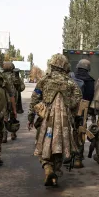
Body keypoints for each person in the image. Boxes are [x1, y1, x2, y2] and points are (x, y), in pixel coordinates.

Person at [28, 53, 82, 186]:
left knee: (42, 143)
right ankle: (56, 173)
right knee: (60, 145)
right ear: (64, 66)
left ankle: (47, 168)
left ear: (52, 65)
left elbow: (35, 98)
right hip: (64, 122)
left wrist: (31, 116)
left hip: (45, 119)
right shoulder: (70, 82)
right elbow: (78, 100)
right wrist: (70, 112)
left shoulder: (44, 80)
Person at [2, 61, 19, 142]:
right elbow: (22, 87)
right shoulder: (15, 76)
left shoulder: (0, 76)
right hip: (13, 100)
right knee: (13, 117)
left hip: (3, 100)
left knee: (4, 118)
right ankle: (13, 134)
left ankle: (4, 136)